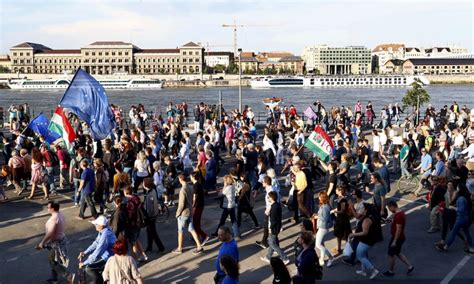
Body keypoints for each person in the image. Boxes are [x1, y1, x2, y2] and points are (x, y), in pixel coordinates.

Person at [36, 201, 74, 284]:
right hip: (60, 239)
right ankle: (54, 278)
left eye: (48, 207)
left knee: (52, 261)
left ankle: (67, 275)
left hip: (55, 243)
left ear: (52, 209)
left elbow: (50, 233)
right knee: (55, 260)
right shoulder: (60, 214)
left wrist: (42, 243)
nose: (47, 208)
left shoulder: (54, 219)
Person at [436, 184, 474, 253]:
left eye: (457, 188)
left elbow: (461, 210)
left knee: (453, 233)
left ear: (459, 190)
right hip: (465, 218)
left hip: (460, 219)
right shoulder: (464, 198)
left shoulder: (461, 199)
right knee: (467, 233)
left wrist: (454, 208)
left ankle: (445, 247)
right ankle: (471, 248)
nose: (456, 189)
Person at [79, 216, 117, 284]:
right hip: (107, 256)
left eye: (96, 224)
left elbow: (97, 253)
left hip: (110, 258)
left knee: (88, 268)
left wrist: (84, 263)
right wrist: (85, 252)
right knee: (91, 261)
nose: (95, 226)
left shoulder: (105, 235)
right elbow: (95, 243)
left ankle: (102, 281)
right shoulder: (103, 231)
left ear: (101, 225)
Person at [173, 173, 204, 254]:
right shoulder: (190, 187)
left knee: (180, 231)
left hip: (184, 213)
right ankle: (199, 246)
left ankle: (179, 248)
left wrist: (177, 213)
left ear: (180, 179)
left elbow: (181, 204)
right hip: (190, 211)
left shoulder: (183, 189)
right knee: (191, 229)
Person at [382, 200, 415, 277]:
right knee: (397, 252)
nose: (389, 210)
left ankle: (391, 271)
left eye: (389, 208)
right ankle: (410, 266)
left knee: (390, 254)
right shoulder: (399, 212)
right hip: (400, 237)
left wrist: (394, 241)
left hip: (397, 238)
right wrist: (388, 219)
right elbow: (393, 215)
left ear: (392, 206)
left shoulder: (399, 216)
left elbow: (398, 230)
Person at [348, 203, 380, 280]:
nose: (361, 209)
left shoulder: (367, 219)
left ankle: (374, 270)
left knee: (360, 256)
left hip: (365, 241)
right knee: (363, 256)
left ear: (366, 210)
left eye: (363, 208)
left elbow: (365, 232)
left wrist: (353, 234)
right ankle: (363, 271)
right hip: (368, 240)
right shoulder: (369, 216)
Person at [261, 191, 290, 265]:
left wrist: (270, 228)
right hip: (277, 227)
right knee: (272, 242)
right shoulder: (277, 205)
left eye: (268, 197)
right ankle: (268, 257)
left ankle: (285, 258)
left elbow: (273, 220)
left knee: (273, 244)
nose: (268, 198)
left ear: (271, 198)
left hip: (273, 228)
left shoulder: (273, 207)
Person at [123, 186, 148, 262]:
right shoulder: (136, 198)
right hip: (139, 221)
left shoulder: (128, 201)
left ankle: (136, 258)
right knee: (137, 239)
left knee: (133, 242)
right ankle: (144, 255)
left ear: (126, 193)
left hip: (132, 223)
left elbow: (130, 214)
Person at [143, 177, 165, 253]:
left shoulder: (149, 194)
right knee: (149, 232)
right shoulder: (153, 191)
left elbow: (149, 208)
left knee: (152, 232)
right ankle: (149, 247)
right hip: (153, 215)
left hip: (150, 216)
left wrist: (146, 216)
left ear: (145, 185)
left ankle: (161, 247)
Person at [312, 191, 334, 267]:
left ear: (322, 198)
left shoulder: (325, 207)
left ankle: (331, 257)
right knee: (321, 243)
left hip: (323, 227)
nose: (318, 198)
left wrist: (316, 217)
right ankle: (322, 258)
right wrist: (317, 215)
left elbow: (325, 218)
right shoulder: (324, 206)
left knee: (317, 244)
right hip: (322, 227)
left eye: (319, 197)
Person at [332, 186, 352, 256]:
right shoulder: (339, 198)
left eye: (337, 190)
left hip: (343, 219)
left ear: (340, 191)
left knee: (346, 234)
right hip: (340, 219)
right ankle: (339, 248)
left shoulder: (343, 200)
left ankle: (349, 248)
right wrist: (335, 210)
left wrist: (335, 212)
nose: (335, 191)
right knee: (339, 234)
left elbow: (343, 210)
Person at [191, 171, 209, 245]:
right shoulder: (199, 184)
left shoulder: (195, 185)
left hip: (197, 206)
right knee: (197, 222)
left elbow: (195, 197)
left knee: (195, 223)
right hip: (200, 205)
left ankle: (204, 236)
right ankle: (197, 236)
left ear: (193, 177)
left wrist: (193, 205)